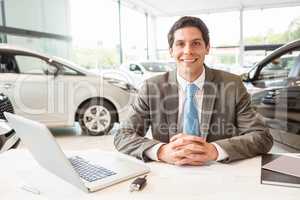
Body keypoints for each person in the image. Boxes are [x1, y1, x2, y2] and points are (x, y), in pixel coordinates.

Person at [114, 16, 273, 165]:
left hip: (219, 173)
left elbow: (262, 137)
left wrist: (215, 150)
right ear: (171, 50)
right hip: (169, 172)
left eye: (196, 43)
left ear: (207, 47)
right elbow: (123, 135)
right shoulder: (151, 88)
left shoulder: (232, 85)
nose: (188, 51)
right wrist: (161, 151)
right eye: (180, 44)